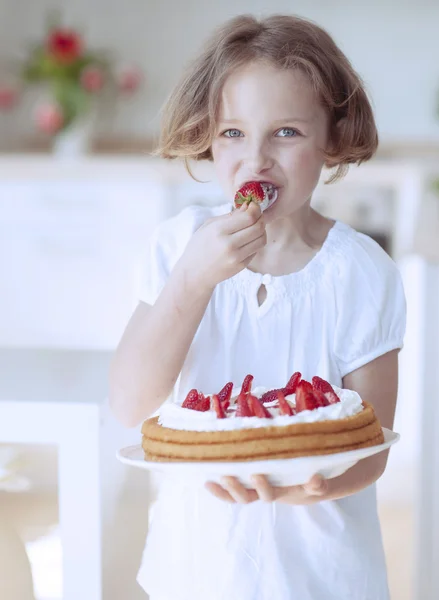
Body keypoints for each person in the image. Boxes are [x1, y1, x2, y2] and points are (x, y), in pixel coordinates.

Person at [109, 13, 406, 600]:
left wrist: (310, 487)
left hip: (323, 576)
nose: (257, 159)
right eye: (233, 133)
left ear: (333, 139)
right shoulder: (177, 248)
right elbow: (129, 404)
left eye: (287, 133)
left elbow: (374, 445)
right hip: (195, 569)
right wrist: (193, 280)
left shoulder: (361, 272)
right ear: (208, 136)